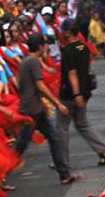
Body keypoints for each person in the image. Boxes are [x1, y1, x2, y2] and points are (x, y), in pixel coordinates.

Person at [12, 33, 77, 185]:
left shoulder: (26, 61)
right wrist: (58, 104)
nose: (47, 47)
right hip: (32, 110)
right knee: (20, 146)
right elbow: (40, 86)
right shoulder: (33, 61)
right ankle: (0, 172)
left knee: (53, 138)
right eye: (45, 45)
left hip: (35, 108)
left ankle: (64, 174)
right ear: (40, 46)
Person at [58, 19, 105, 167]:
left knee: (62, 128)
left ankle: (62, 161)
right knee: (82, 124)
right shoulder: (84, 47)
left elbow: (72, 74)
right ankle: (104, 150)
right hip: (85, 92)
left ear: (68, 32)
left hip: (70, 95)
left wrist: (76, 94)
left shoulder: (68, 51)